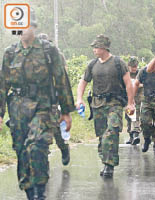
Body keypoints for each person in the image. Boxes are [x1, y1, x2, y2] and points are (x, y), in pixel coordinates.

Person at [0, 10, 75, 199]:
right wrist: (1, 114)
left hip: (42, 105)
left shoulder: (49, 51)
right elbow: (2, 84)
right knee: (21, 150)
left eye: (25, 26)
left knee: (37, 146)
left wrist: (66, 111)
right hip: (17, 108)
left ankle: (40, 192)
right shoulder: (10, 53)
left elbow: (61, 79)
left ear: (33, 27)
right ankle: (29, 191)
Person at [76, 34, 134, 178]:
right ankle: (105, 161)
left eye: (96, 47)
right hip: (97, 104)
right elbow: (83, 82)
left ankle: (109, 165)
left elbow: (128, 84)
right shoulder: (92, 64)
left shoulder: (118, 63)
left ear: (104, 48)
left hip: (114, 103)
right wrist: (79, 99)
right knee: (102, 136)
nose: (94, 50)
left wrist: (130, 103)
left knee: (111, 132)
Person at [38, 33, 70, 166]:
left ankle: (63, 148)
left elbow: (63, 76)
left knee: (55, 128)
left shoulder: (57, 55)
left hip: (52, 96)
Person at [132, 66, 155, 155]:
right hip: (146, 101)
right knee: (145, 122)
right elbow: (136, 84)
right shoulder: (144, 71)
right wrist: (132, 99)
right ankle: (147, 139)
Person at [125, 56, 143, 145]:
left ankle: (136, 134)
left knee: (137, 117)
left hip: (138, 98)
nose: (134, 69)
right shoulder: (126, 74)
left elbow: (144, 83)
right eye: (132, 67)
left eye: (135, 66)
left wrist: (137, 85)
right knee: (128, 117)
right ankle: (131, 136)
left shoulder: (140, 73)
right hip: (128, 99)